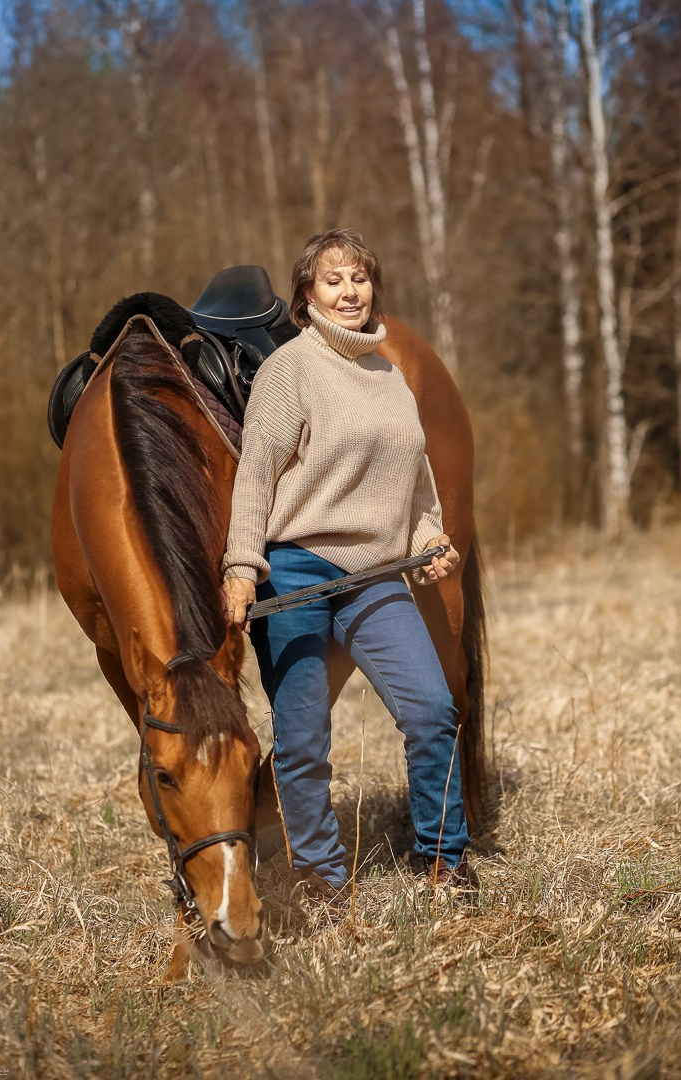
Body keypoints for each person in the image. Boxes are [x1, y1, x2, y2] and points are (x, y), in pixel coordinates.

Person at [221, 228, 474, 906]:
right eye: (333, 280)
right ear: (307, 296)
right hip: (296, 571)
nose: (349, 291)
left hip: (375, 576)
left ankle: (444, 861)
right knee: (303, 740)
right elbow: (255, 478)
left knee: (431, 710)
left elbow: (413, 485)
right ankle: (322, 880)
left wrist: (430, 538)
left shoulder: (389, 377)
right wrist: (242, 567)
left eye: (359, 278)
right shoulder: (290, 369)